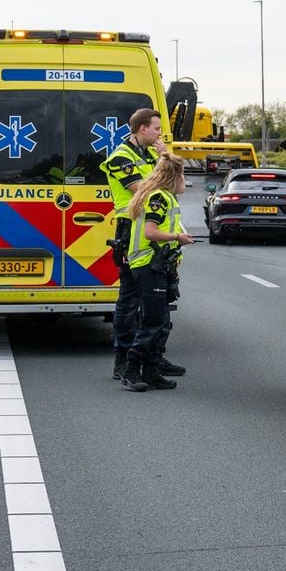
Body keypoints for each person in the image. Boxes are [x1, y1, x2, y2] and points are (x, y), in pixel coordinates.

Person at [101, 108, 183, 381]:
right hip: (131, 231)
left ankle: (153, 358)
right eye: (157, 128)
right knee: (129, 299)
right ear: (141, 129)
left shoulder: (150, 155)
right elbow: (143, 189)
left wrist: (164, 157)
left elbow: (172, 186)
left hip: (153, 228)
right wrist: (165, 165)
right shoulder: (120, 157)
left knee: (159, 299)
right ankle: (123, 359)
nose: (160, 133)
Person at [121, 154, 195, 392]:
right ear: (174, 176)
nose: (185, 180)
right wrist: (177, 238)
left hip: (158, 265)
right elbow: (150, 233)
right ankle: (131, 369)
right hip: (148, 264)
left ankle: (151, 372)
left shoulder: (165, 197)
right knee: (153, 319)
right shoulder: (158, 199)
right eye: (183, 174)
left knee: (160, 319)